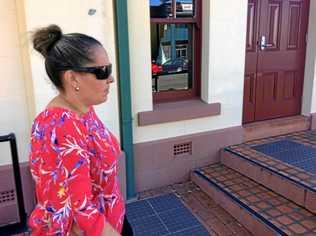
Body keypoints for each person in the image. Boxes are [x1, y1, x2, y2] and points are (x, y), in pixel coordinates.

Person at [28, 25, 132, 236]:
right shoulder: (61, 128)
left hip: (113, 218)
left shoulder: (83, 110)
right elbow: (80, 211)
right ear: (72, 78)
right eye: (102, 71)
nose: (110, 79)